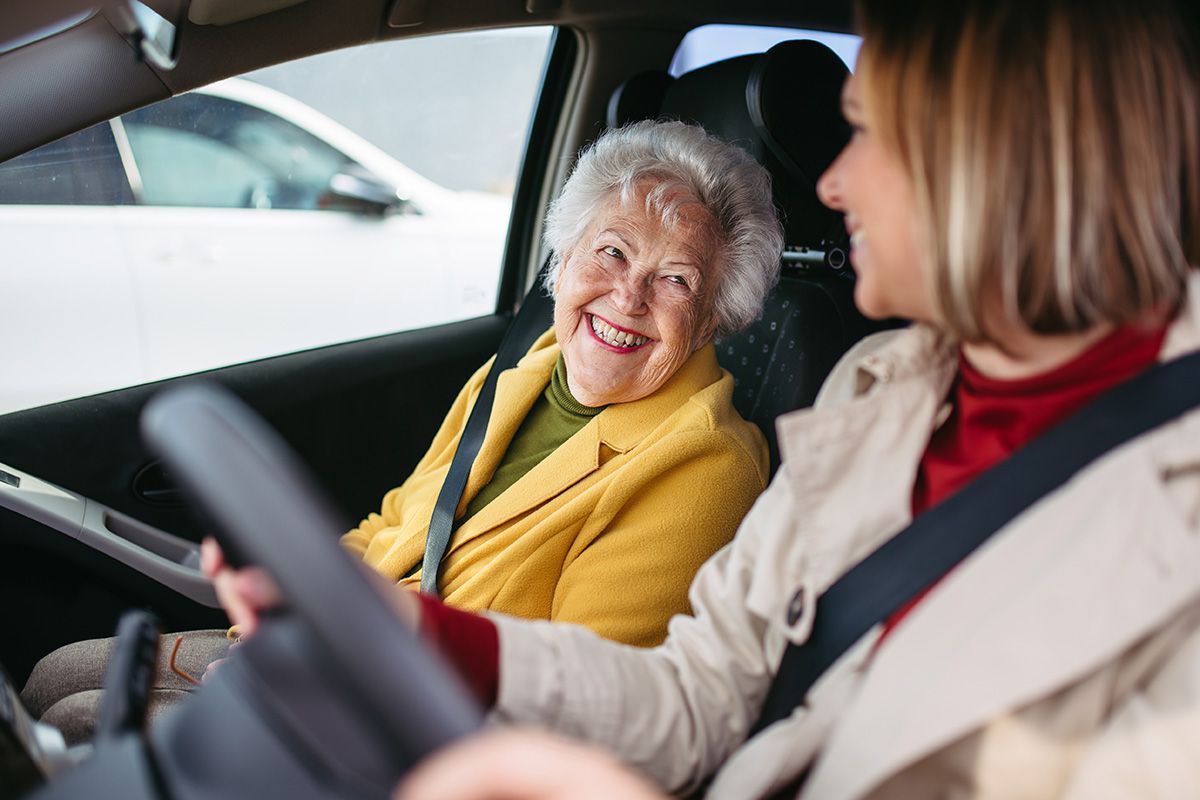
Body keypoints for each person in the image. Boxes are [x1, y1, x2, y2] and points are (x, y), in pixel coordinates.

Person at [385, 0, 1200, 796]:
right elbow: (699, 696)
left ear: (999, 168)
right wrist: (424, 637)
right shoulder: (873, 392)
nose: (834, 185)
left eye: (869, 135)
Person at [21, 119, 783, 742]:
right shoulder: (521, 374)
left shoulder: (704, 465)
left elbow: (587, 706)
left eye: (675, 279)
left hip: (439, 723)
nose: (626, 295)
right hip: (352, 644)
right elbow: (398, 522)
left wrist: (325, 680)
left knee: (83, 726)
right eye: (611, 252)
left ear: (716, 314)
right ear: (567, 254)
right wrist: (297, 616)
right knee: (55, 674)